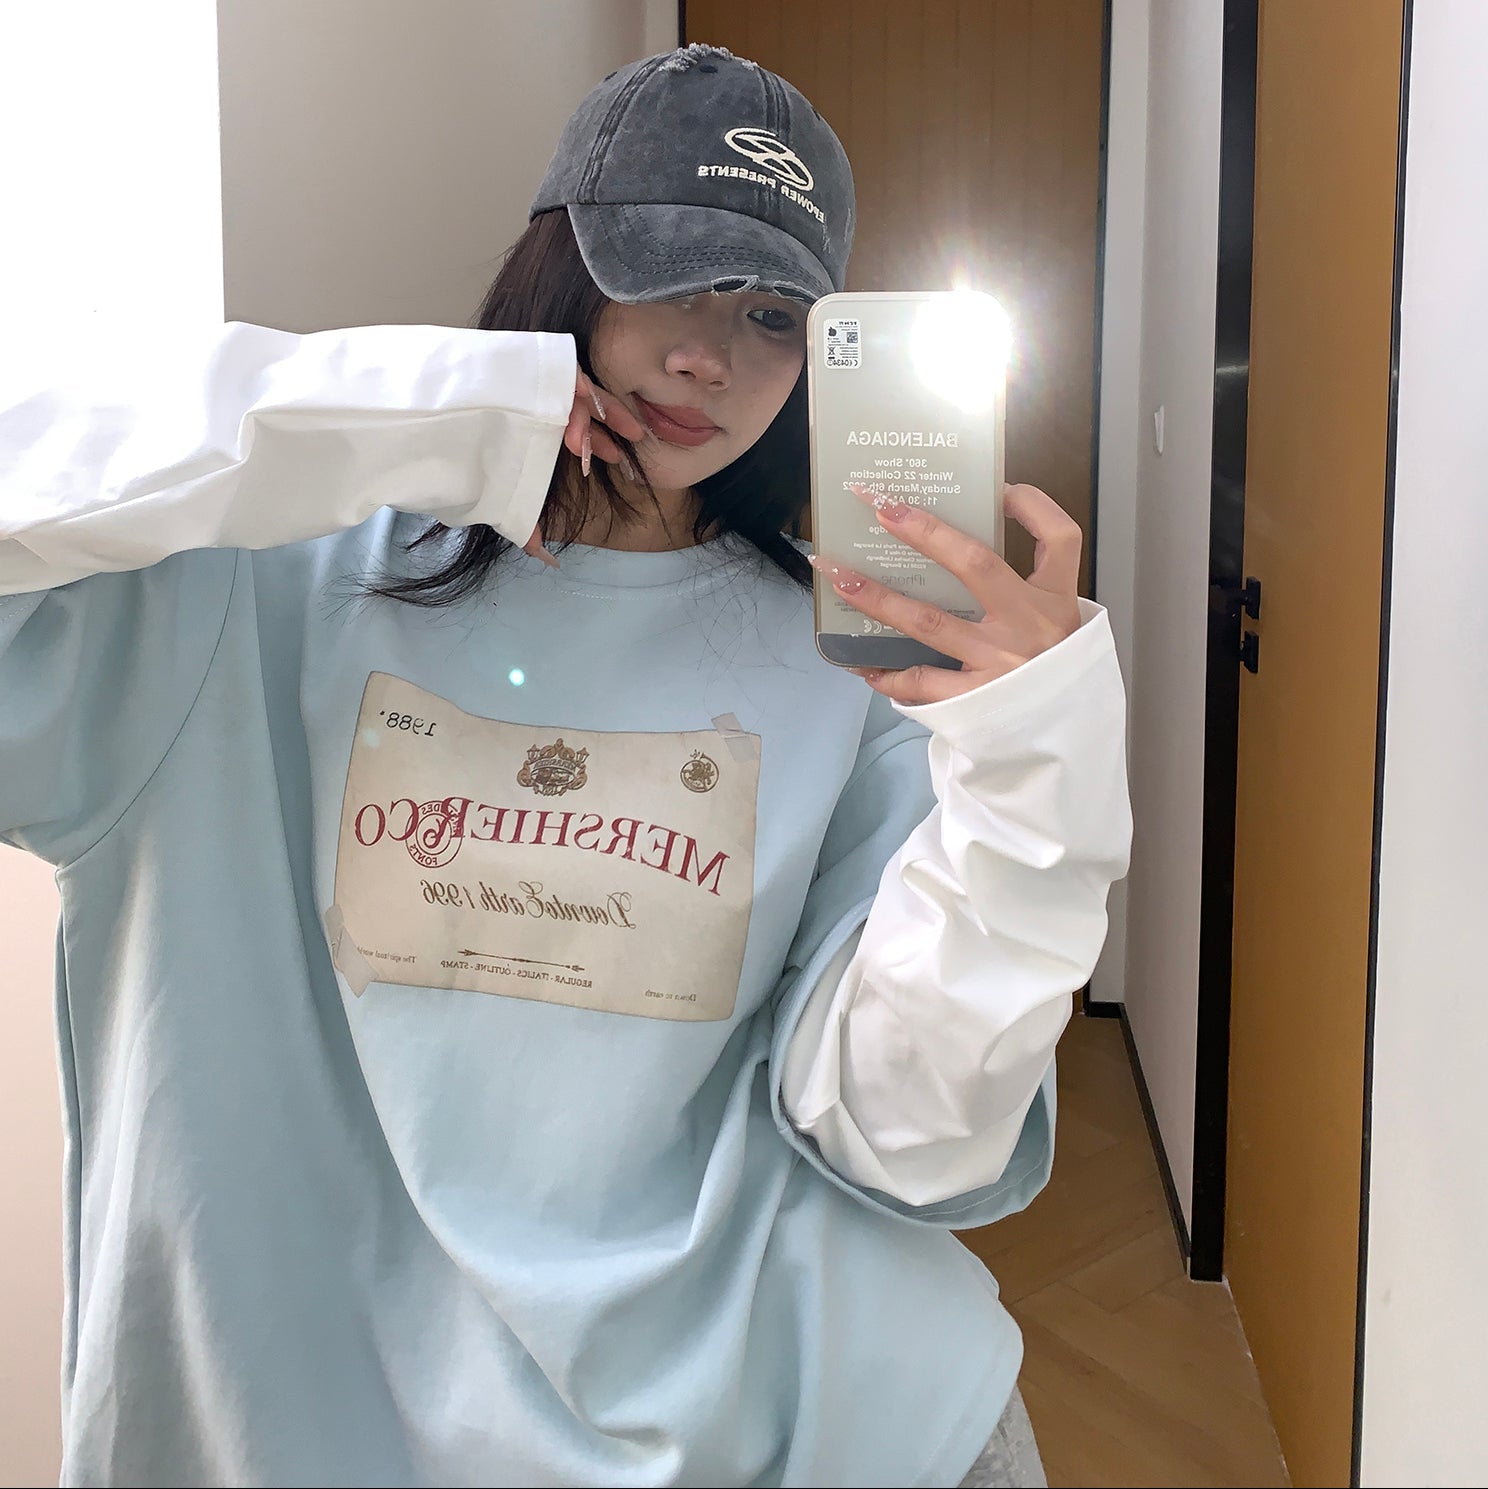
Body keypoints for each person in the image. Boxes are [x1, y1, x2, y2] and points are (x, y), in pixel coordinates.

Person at [0, 43, 1129, 1489]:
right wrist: (430, 416)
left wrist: (1035, 768)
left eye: (772, 316)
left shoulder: (856, 677)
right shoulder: (250, 591)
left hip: (782, 1421)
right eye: (664, 278)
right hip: (302, 1411)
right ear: (559, 265)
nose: (709, 357)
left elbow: (906, 1132)